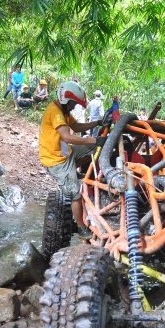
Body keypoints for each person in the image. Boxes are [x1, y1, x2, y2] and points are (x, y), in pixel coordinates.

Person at [39, 81, 107, 237]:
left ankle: (86, 174)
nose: (75, 107)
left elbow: (76, 127)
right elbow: (68, 137)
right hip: (56, 161)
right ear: (66, 101)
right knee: (75, 194)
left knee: (94, 148)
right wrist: (94, 140)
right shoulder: (55, 112)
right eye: (74, 104)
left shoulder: (63, 111)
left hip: (64, 152)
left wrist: (97, 123)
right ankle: (81, 227)